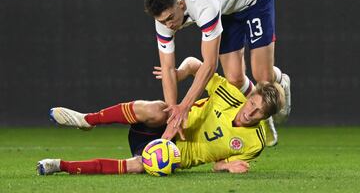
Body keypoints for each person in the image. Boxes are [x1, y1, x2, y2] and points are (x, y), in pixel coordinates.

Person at [37, 57, 284, 175]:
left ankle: (59, 165)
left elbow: (218, 164)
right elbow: (194, 64)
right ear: (249, 96)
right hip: (166, 125)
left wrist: (228, 167)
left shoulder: (256, 143)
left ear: (265, 117)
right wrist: (179, 72)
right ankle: (87, 120)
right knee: (158, 108)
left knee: (136, 166)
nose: (250, 110)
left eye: (258, 111)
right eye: (252, 102)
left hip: (173, 156)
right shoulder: (230, 94)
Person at [144, 0, 291, 146]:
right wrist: (173, 114)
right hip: (227, 6)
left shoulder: (204, 5)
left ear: (181, 4)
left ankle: (281, 80)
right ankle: (265, 116)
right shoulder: (164, 17)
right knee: (235, 79)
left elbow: (209, 64)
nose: (169, 25)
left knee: (263, 77)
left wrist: (185, 107)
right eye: (163, 21)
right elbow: (167, 68)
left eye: (171, 18)